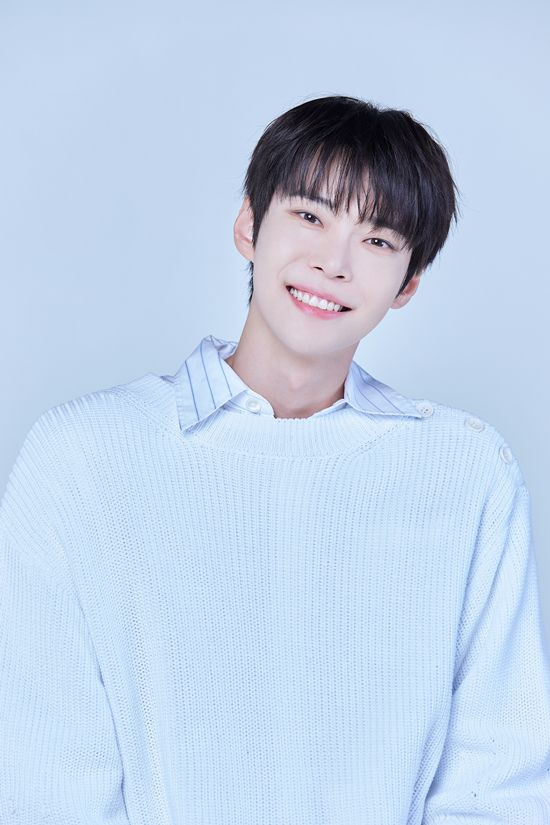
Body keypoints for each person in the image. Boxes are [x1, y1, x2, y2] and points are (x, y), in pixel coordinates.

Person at [1, 95, 549, 824]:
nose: (334, 263)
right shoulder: (83, 456)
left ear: (409, 283)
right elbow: (47, 778)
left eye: (378, 239)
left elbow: (499, 778)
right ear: (249, 226)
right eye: (311, 216)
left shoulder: (466, 471)